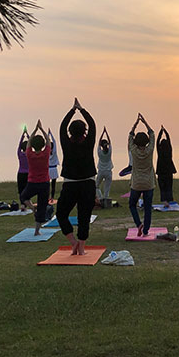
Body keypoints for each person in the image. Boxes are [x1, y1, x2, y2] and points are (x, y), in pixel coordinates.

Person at [57, 98, 97, 255]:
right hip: (88, 184)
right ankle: (81, 247)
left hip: (71, 185)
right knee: (84, 217)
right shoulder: (89, 143)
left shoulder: (66, 144)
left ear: (70, 133)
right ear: (85, 132)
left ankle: (74, 242)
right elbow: (92, 125)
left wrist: (72, 110)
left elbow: (62, 128)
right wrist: (81, 109)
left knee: (61, 214)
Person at [20, 120, 51, 236]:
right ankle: (37, 231)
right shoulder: (46, 153)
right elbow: (48, 141)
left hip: (32, 182)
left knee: (23, 197)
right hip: (44, 183)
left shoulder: (30, 154)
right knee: (42, 207)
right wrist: (42, 129)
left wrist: (34, 130)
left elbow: (28, 144)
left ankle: (33, 208)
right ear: (42, 145)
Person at [128, 113, 155, 237]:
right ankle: (145, 231)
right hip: (149, 183)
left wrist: (135, 125)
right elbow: (153, 135)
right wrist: (144, 122)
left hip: (137, 183)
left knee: (132, 205)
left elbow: (129, 138)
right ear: (146, 142)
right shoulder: (149, 151)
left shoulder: (133, 150)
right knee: (148, 208)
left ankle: (139, 224)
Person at [156, 125, 177, 208]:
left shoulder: (160, 152)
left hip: (161, 172)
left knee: (162, 187)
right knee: (169, 186)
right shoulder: (169, 151)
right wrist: (165, 132)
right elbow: (169, 140)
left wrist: (160, 132)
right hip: (168, 171)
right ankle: (168, 200)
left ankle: (165, 201)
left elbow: (157, 142)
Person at [96, 127, 113, 203]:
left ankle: (100, 198)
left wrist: (103, 133)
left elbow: (99, 143)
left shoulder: (100, 152)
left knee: (96, 186)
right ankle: (105, 199)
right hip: (108, 171)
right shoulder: (109, 152)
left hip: (101, 171)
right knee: (107, 188)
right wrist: (106, 133)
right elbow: (110, 142)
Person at [16, 127, 30, 206]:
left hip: (20, 173)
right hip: (28, 174)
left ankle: (22, 204)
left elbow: (19, 145)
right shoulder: (29, 154)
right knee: (27, 189)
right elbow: (31, 143)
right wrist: (27, 135)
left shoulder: (20, 154)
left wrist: (22, 135)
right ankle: (28, 202)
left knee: (21, 189)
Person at [48, 129, 60, 199]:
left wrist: (47, 135)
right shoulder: (54, 153)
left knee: (48, 185)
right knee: (53, 185)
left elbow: (47, 143)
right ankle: (52, 197)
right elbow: (54, 142)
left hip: (49, 169)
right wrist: (50, 134)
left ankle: (49, 197)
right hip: (54, 169)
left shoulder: (47, 152)